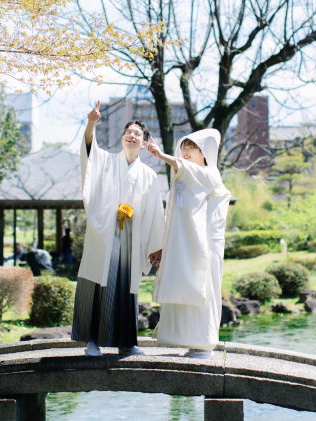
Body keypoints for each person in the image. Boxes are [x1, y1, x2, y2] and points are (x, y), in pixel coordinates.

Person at [72, 101, 165, 356]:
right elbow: (89, 152)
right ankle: (91, 340)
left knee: (126, 288)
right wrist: (91, 123)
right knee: (97, 284)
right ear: (123, 137)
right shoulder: (105, 162)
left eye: (138, 133)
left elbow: (157, 211)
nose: (132, 135)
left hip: (133, 236)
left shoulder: (149, 175)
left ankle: (127, 342)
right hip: (105, 233)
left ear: (144, 144)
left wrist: (156, 245)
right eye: (129, 131)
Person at [147, 130, 232, 359]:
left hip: (207, 245)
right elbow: (175, 217)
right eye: (183, 148)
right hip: (186, 245)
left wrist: (160, 155)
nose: (185, 152)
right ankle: (188, 341)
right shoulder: (186, 179)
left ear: (204, 153)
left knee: (204, 291)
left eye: (191, 148)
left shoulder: (209, 174)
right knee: (185, 287)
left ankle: (204, 344)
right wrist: (163, 247)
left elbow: (185, 168)